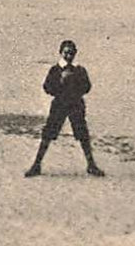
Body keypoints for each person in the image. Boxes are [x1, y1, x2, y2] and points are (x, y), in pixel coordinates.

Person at [25, 39, 105, 177]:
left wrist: (74, 82)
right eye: (66, 53)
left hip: (76, 105)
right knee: (48, 134)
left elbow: (87, 87)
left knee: (83, 135)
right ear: (61, 53)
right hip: (59, 105)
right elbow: (47, 88)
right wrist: (61, 81)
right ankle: (36, 165)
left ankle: (91, 165)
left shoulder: (80, 70)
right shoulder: (55, 70)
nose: (69, 56)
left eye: (72, 53)